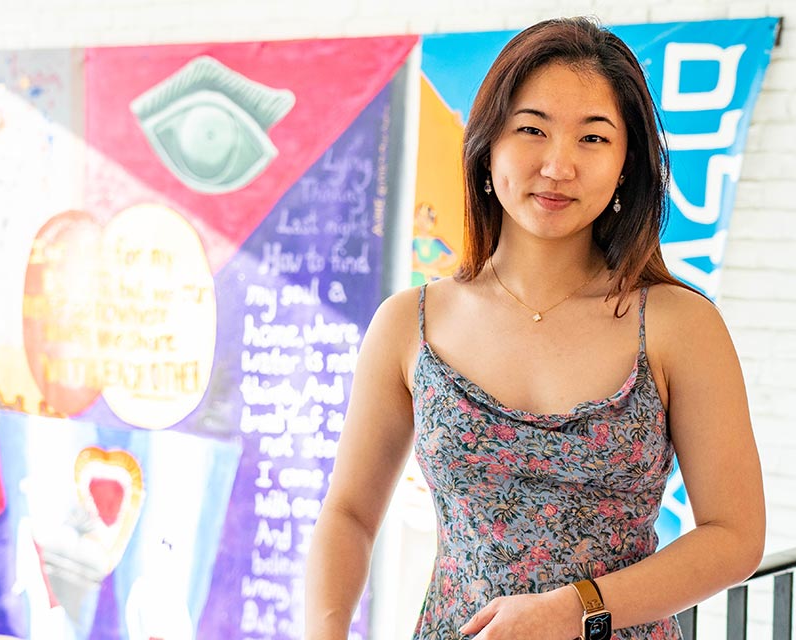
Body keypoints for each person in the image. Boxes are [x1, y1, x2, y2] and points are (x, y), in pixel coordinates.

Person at [305, 16, 765, 640]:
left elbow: (734, 537)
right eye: (531, 130)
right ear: (487, 146)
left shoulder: (678, 324)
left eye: (594, 139)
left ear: (628, 164)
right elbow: (349, 514)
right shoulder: (407, 324)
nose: (558, 165)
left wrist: (575, 610)